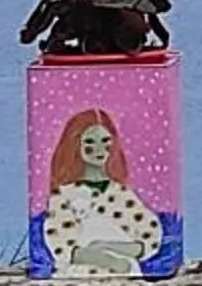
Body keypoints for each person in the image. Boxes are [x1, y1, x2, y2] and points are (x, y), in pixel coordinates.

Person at [40, 108, 163, 276]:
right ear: (75, 145)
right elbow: (61, 246)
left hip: (126, 277)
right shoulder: (65, 195)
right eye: (90, 143)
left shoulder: (120, 193)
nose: (99, 149)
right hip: (81, 277)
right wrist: (108, 260)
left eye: (105, 142)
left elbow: (150, 238)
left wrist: (109, 247)